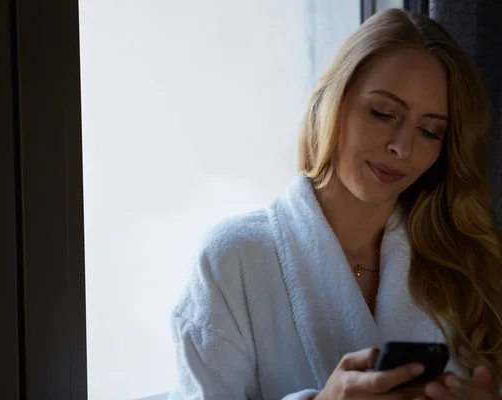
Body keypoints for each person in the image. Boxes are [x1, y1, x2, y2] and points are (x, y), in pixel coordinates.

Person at [167, 7, 502, 400]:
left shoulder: (464, 265)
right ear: (334, 101)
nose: (402, 146)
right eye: (382, 113)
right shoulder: (234, 260)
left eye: (429, 131)